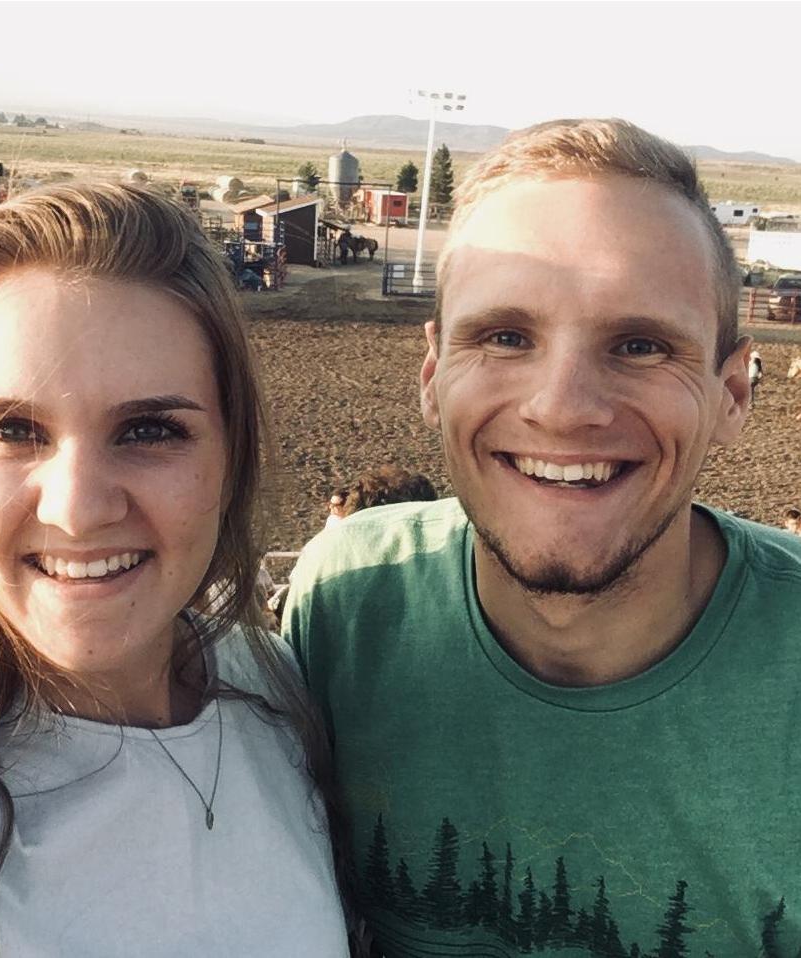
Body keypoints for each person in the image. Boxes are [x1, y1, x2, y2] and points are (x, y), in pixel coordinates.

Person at [284, 119, 801, 958]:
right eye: (505, 337)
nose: (562, 407)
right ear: (432, 374)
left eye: (640, 345)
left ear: (735, 393)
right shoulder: (347, 605)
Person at [0, 183, 350, 956]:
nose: (77, 510)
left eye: (149, 429)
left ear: (231, 454)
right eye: (13, 431)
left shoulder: (274, 693)